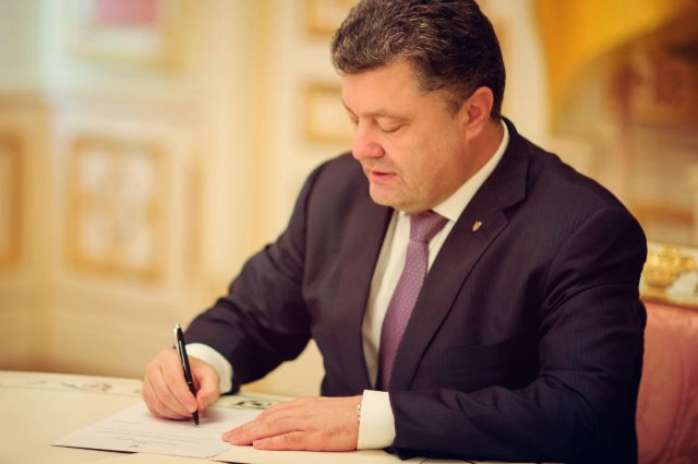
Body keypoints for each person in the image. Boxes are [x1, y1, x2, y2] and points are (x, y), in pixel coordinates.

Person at [142, 1, 647, 462]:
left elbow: (582, 411)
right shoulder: (337, 189)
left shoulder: (582, 229)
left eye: (389, 125)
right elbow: (255, 314)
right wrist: (201, 362)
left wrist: (371, 419)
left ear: (473, 113)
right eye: (354, 119)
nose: (362, 148)